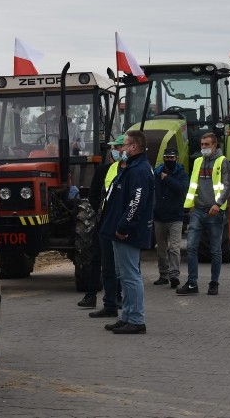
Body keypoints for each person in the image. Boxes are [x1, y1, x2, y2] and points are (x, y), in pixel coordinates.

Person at [98, 131, 155, 334]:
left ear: (134, 147)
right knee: (124, 275)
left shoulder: (139, 170)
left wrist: (123, 227)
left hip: (127, 232)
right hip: (118, 231)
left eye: (124, 145)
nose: (120, 150)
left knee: (131, 276)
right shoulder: (131, 167)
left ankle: (137, 320)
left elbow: (136, 203)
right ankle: (128, 316)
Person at [177, 133, 230, 296]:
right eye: (202, 144)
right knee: (191, 246)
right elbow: (193, 185)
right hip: (198, 211)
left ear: (215, 145)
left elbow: (227, 186)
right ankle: (192, 283)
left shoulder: (223, 162)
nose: (203, 147)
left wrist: (218, 204)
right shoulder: (197, 162)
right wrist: (190, 206)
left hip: (214, 212)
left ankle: (214, 283)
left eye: (207, 144)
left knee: (215, 250)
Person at [80, 135, 125, 310]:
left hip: (119, 221)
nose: (117, 150)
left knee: (118, 261)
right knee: (96, 257)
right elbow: (93, 195)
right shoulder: (102, 171)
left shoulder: (129, 170)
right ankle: (91, 295)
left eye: (120, 146)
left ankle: (117, 296)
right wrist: (101, 210)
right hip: (103, 220)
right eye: (115, 147)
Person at [152, 147, 188, 288]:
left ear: (176, 159)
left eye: (172, 158)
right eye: (167, 158)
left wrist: (167, 179)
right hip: (159, 217)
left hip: (175, 217)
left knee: (174, 248)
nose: (169, 160)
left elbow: (182, 189)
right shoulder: (157, 172)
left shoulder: (181, 173)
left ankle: (174, 276)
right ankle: (163, 275)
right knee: (161, 248)